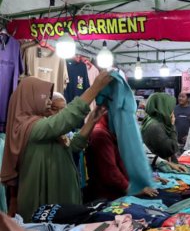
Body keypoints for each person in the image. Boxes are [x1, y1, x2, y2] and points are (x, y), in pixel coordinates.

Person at [0, 72, 112, 221]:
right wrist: (95, 88)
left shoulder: (42, 126)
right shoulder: (28, 128)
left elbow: (72, 147)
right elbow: (65, 119)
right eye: (43, 96)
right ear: (28, 98)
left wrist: (91, 121)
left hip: (59, 201)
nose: (47, 101)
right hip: (45, 205)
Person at [85, 113, 159, 201]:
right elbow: (110, 171)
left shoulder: (114, 129)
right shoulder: (100, 134)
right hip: (108, 197)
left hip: (119, 191)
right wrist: (131, 188)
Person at [141, 93, 188, 172]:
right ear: (163, 107)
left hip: (160, 165)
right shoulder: (155, 126)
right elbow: (171, 149)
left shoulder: (152, 120)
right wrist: (173, 126)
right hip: (158, 170)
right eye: (170, 107)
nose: (172, 111)